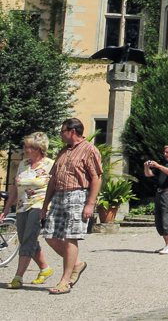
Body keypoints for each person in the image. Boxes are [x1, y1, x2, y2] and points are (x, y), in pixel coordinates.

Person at [40, 118, 102, 295]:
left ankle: (65, 280)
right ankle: (76, 264)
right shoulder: (63, 151)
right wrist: (45, 205)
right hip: (59, 195)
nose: (61, 134)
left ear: (72, 131)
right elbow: (53, 180)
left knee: (70, 237)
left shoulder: (89, 149)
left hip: (78, 195)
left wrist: (90, 204)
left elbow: (96, 177)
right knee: (50, 235)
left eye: (62, 131)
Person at [1, 132, 55, 289]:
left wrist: (48, 207)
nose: (24, 149)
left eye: (27, 147)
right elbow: (15, 188)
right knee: (27, 238)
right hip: (21, 206)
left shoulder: (50, 164)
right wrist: (5, 209)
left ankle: (18, 277)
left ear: (38, 148)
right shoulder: (23, 164)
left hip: (38, 206)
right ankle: (45, 269)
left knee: (28, 239)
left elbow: (54, 188)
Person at [144, 145, 168, 255]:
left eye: (167, 152)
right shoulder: (164, 165)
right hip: (160, 193)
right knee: (159, 219)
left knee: (167, 218)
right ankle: (166, 245)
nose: (165, 154)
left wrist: (158, 166)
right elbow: (149, 174)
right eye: (164, 152)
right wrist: (146, 167)